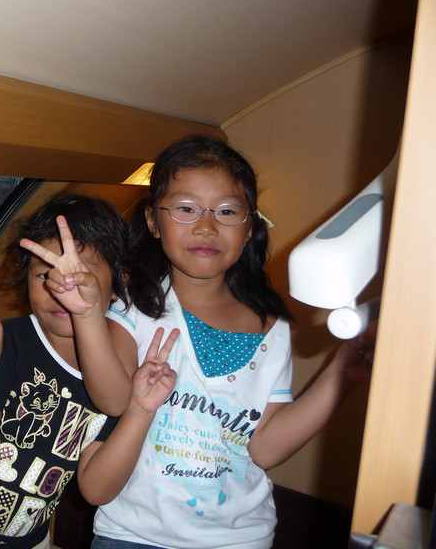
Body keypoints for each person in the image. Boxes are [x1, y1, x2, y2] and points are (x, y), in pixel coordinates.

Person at [33, 136, 374, 549]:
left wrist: (341, 373)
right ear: (154, 221)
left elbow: (265, 449)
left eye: (227, 211)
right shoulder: (134, 309)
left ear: (250, 228)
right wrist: (88, 315)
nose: (206, 226)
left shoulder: (273, 327)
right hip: (132, 535)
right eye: (186, 208)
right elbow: (114, 399)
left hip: (240, 540)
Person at [0, 194, 178, 549]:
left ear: (118, 282)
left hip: (27, 540)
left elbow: (97, 487)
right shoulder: (10, 342)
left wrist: (141, 410)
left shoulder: (113, 368)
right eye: (45, 274)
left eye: (81, 276)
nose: (62, 289)